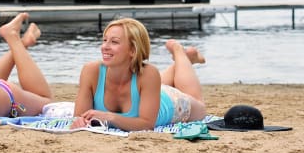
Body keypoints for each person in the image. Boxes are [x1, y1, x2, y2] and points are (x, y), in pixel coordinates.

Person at [72, 18, 207, 131]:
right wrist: (80, 121)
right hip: (148, 91)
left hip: (172, 102)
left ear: (133, 50)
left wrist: (109, 117)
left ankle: (179, 51)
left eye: (114, 42)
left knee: (200, 107)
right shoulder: (91, 71)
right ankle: (185, 60)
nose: (104, 47)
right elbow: (79, 117)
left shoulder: (149, 73)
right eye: (104, 40)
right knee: (155, 83)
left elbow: (147, 125)